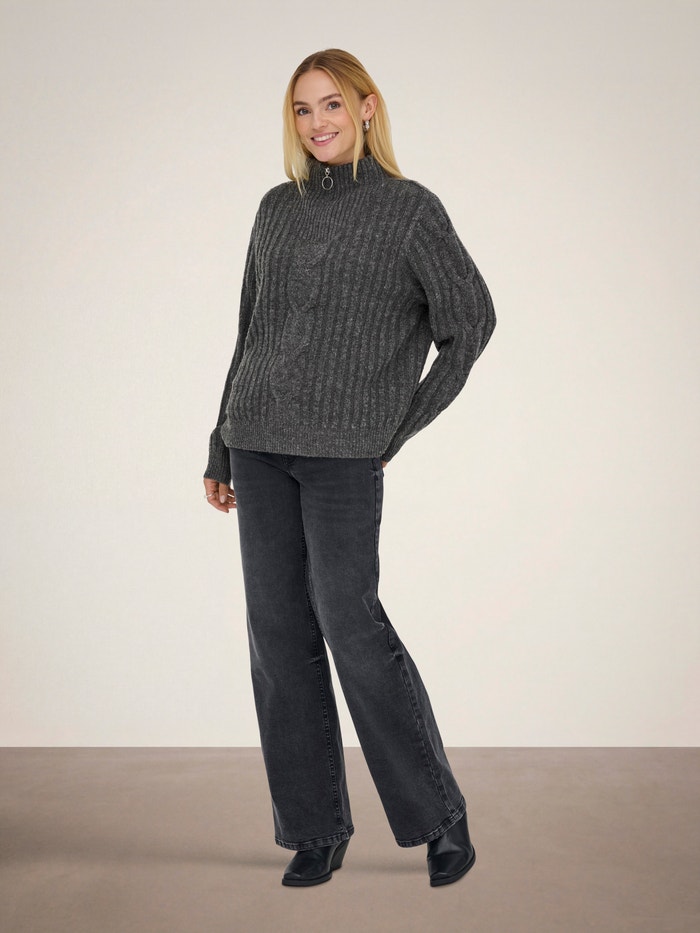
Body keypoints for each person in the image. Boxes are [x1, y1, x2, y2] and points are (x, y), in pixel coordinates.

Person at [203, 48, 496, 888]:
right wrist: (220, 442)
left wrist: (394, 426)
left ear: (367, 107)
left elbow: (471, 321)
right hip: (258, 445)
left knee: (351, 625)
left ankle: (439, 815)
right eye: (302, 109)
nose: (317, 123)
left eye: (332, 104)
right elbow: (251, 330)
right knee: (279, 637)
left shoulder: (409, 210)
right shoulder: (276, 209)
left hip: (343, 457)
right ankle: (315, 829)